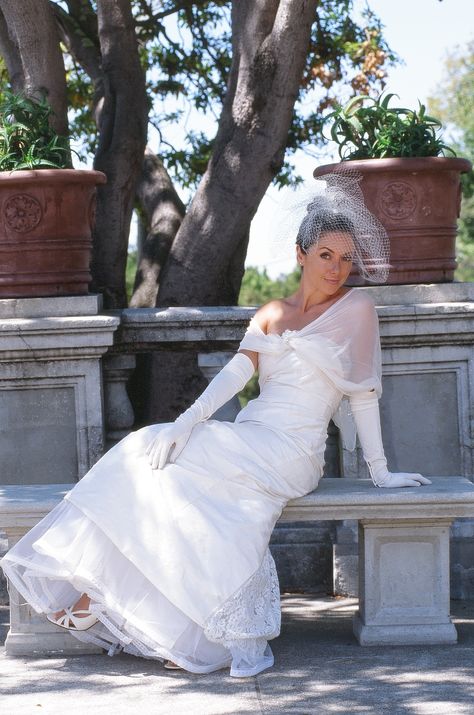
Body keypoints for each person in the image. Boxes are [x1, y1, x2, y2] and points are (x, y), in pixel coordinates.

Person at [1, 173, 430, 678]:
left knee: (172, 461)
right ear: (301, 254)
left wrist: (379, 472)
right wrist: (185, 422)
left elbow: (363, 395)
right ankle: (112, 594)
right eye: (326, 255)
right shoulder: (272, 312)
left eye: (347, 258)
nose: (338, 268)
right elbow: (236, 372)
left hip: (295, 451)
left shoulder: (357, 309)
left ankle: (157, 607)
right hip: (251, 433)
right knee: (149, 451)